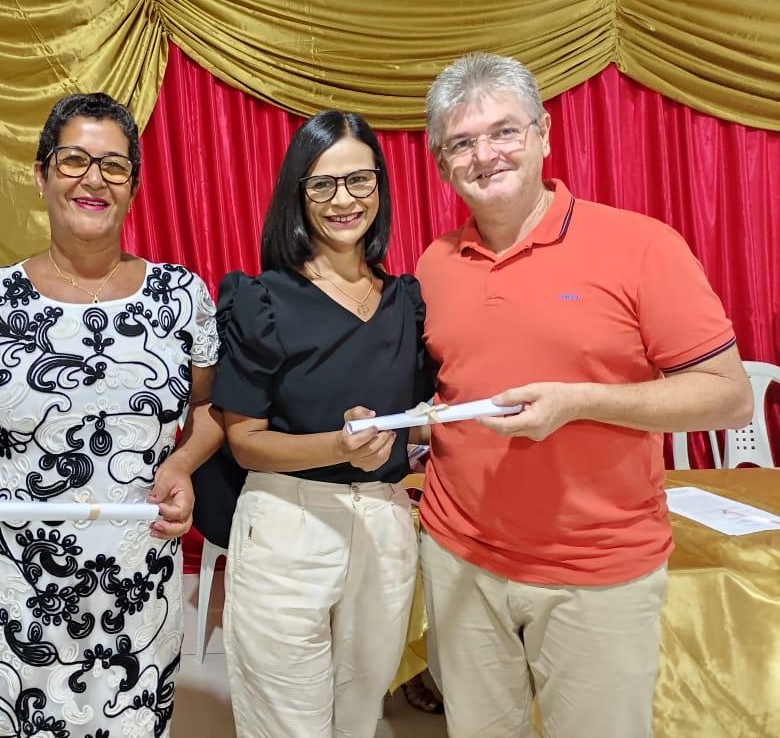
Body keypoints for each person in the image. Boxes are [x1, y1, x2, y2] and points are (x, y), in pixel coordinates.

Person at [415, 52, 754, 738]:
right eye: (461, 143)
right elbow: (447, 391)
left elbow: (728, 397)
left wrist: (580, 402)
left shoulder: (642, 246)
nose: (485, 155)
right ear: (443, 165)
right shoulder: (434, 263)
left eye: (504, 131)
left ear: (544, 134)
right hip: (458, 558)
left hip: (597, 569)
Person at [0, 92, 223, 737]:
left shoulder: (181, 296)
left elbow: (210, 408)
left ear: (134, 184)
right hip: (17, 581)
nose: (94, 180)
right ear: (41, 174)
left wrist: (182, 465)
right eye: (73, 160)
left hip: (138, 573)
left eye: (114, 165)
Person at [213, 110, 434, 738]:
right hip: (288, 522)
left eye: (359, 180)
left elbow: (417, 419)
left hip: (385, 523)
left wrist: (429, 430)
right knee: (287, 720)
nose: (343, 200)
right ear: (298, 192)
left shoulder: (406, 301)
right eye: (323, 184)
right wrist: (338, 445)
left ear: (380, 186)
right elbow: (245, 441)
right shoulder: (262, 298)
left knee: (359, 716)